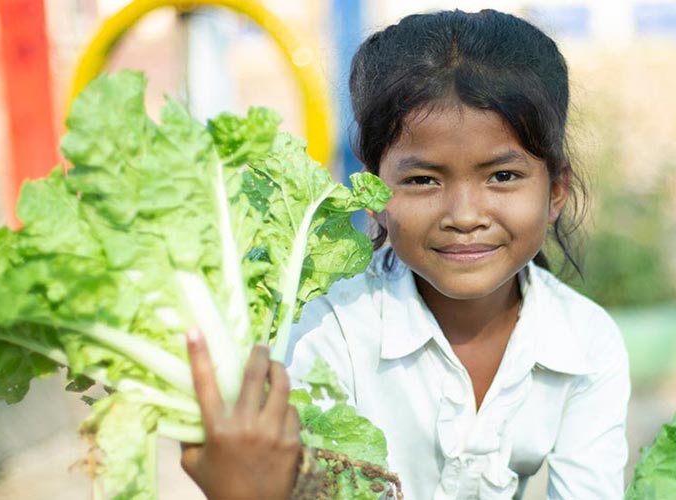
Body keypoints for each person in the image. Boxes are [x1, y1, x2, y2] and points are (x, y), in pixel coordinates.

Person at [181, 9, 630, 500]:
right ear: (373, 193)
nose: (464, 215)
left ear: (557, 190)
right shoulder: (331, 334)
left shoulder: (588, 344)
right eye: (422, 180)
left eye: (502, 176)